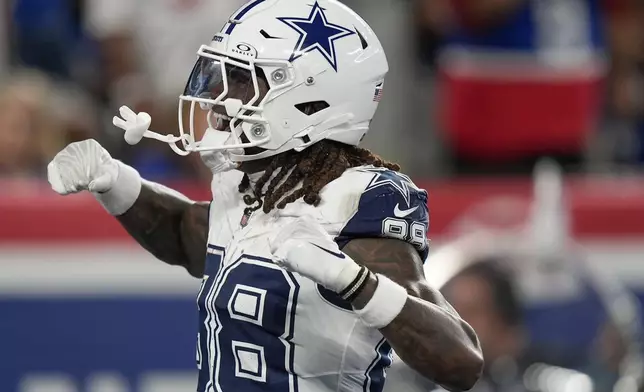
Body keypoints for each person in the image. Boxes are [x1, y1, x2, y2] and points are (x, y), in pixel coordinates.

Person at [46, 1, 483, 391]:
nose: (218, 98)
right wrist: (114, 180)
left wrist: (354, 282)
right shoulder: (248, 180)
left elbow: (460, 362)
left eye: (241, 81)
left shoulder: (358, 198)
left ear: (311, 99)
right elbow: (186, 234)